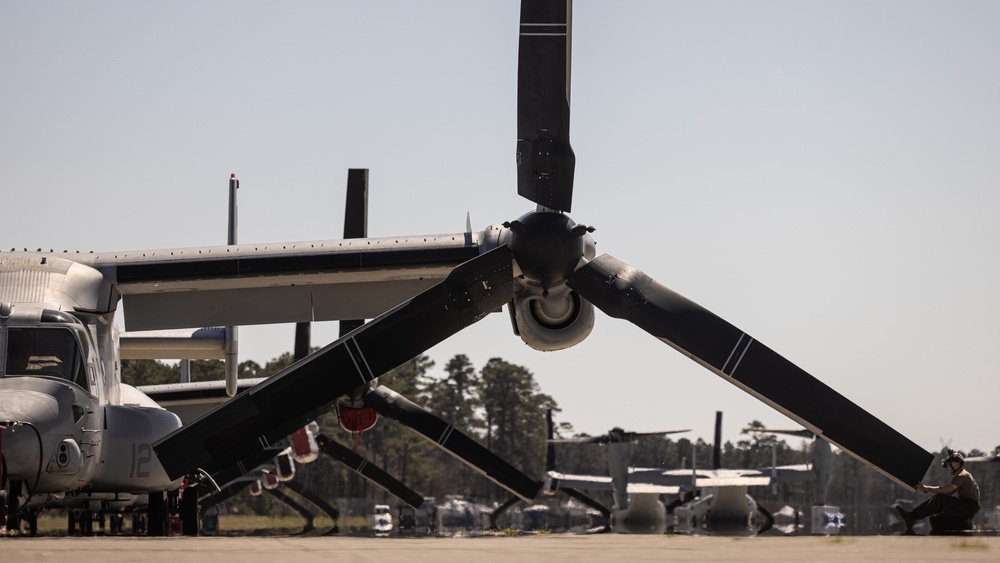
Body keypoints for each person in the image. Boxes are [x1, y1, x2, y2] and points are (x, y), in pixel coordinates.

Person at [894, 451, 980, 534]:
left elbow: (945, 491)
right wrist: (927, 489)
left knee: (940, 499)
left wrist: (926, 487)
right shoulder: (963, 475)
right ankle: (964, 525)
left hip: (968, 507)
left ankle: (912, 517)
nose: (947, 468)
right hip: (967, 507)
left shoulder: (962, 475)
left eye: (947, 465)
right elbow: (948, 493)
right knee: (935, 519)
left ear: (954, 463)